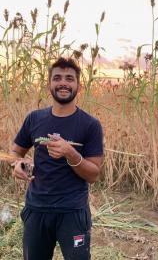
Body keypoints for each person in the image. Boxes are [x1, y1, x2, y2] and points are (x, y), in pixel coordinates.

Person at [12, 57, 104, 260]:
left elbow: (94, 175)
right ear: (49, 84)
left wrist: (70, 153)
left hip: (72, 213)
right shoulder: (34, 119)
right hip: (36, 210)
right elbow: (16, 152)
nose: (63, 83)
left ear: (78, 86)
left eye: (70, 78)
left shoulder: (90, 125)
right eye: (58, 78)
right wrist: (18, 164)